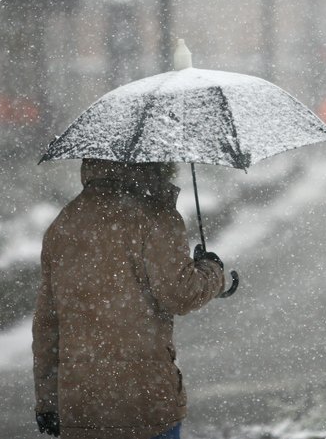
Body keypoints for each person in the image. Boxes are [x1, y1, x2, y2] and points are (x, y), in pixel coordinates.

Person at [32, 159, 226, 439]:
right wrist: (212, 271)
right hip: (145, 405)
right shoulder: (156, 217)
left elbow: (47, 326)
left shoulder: (64, 222)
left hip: (81, 407)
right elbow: (181, 294)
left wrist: (48, 401)